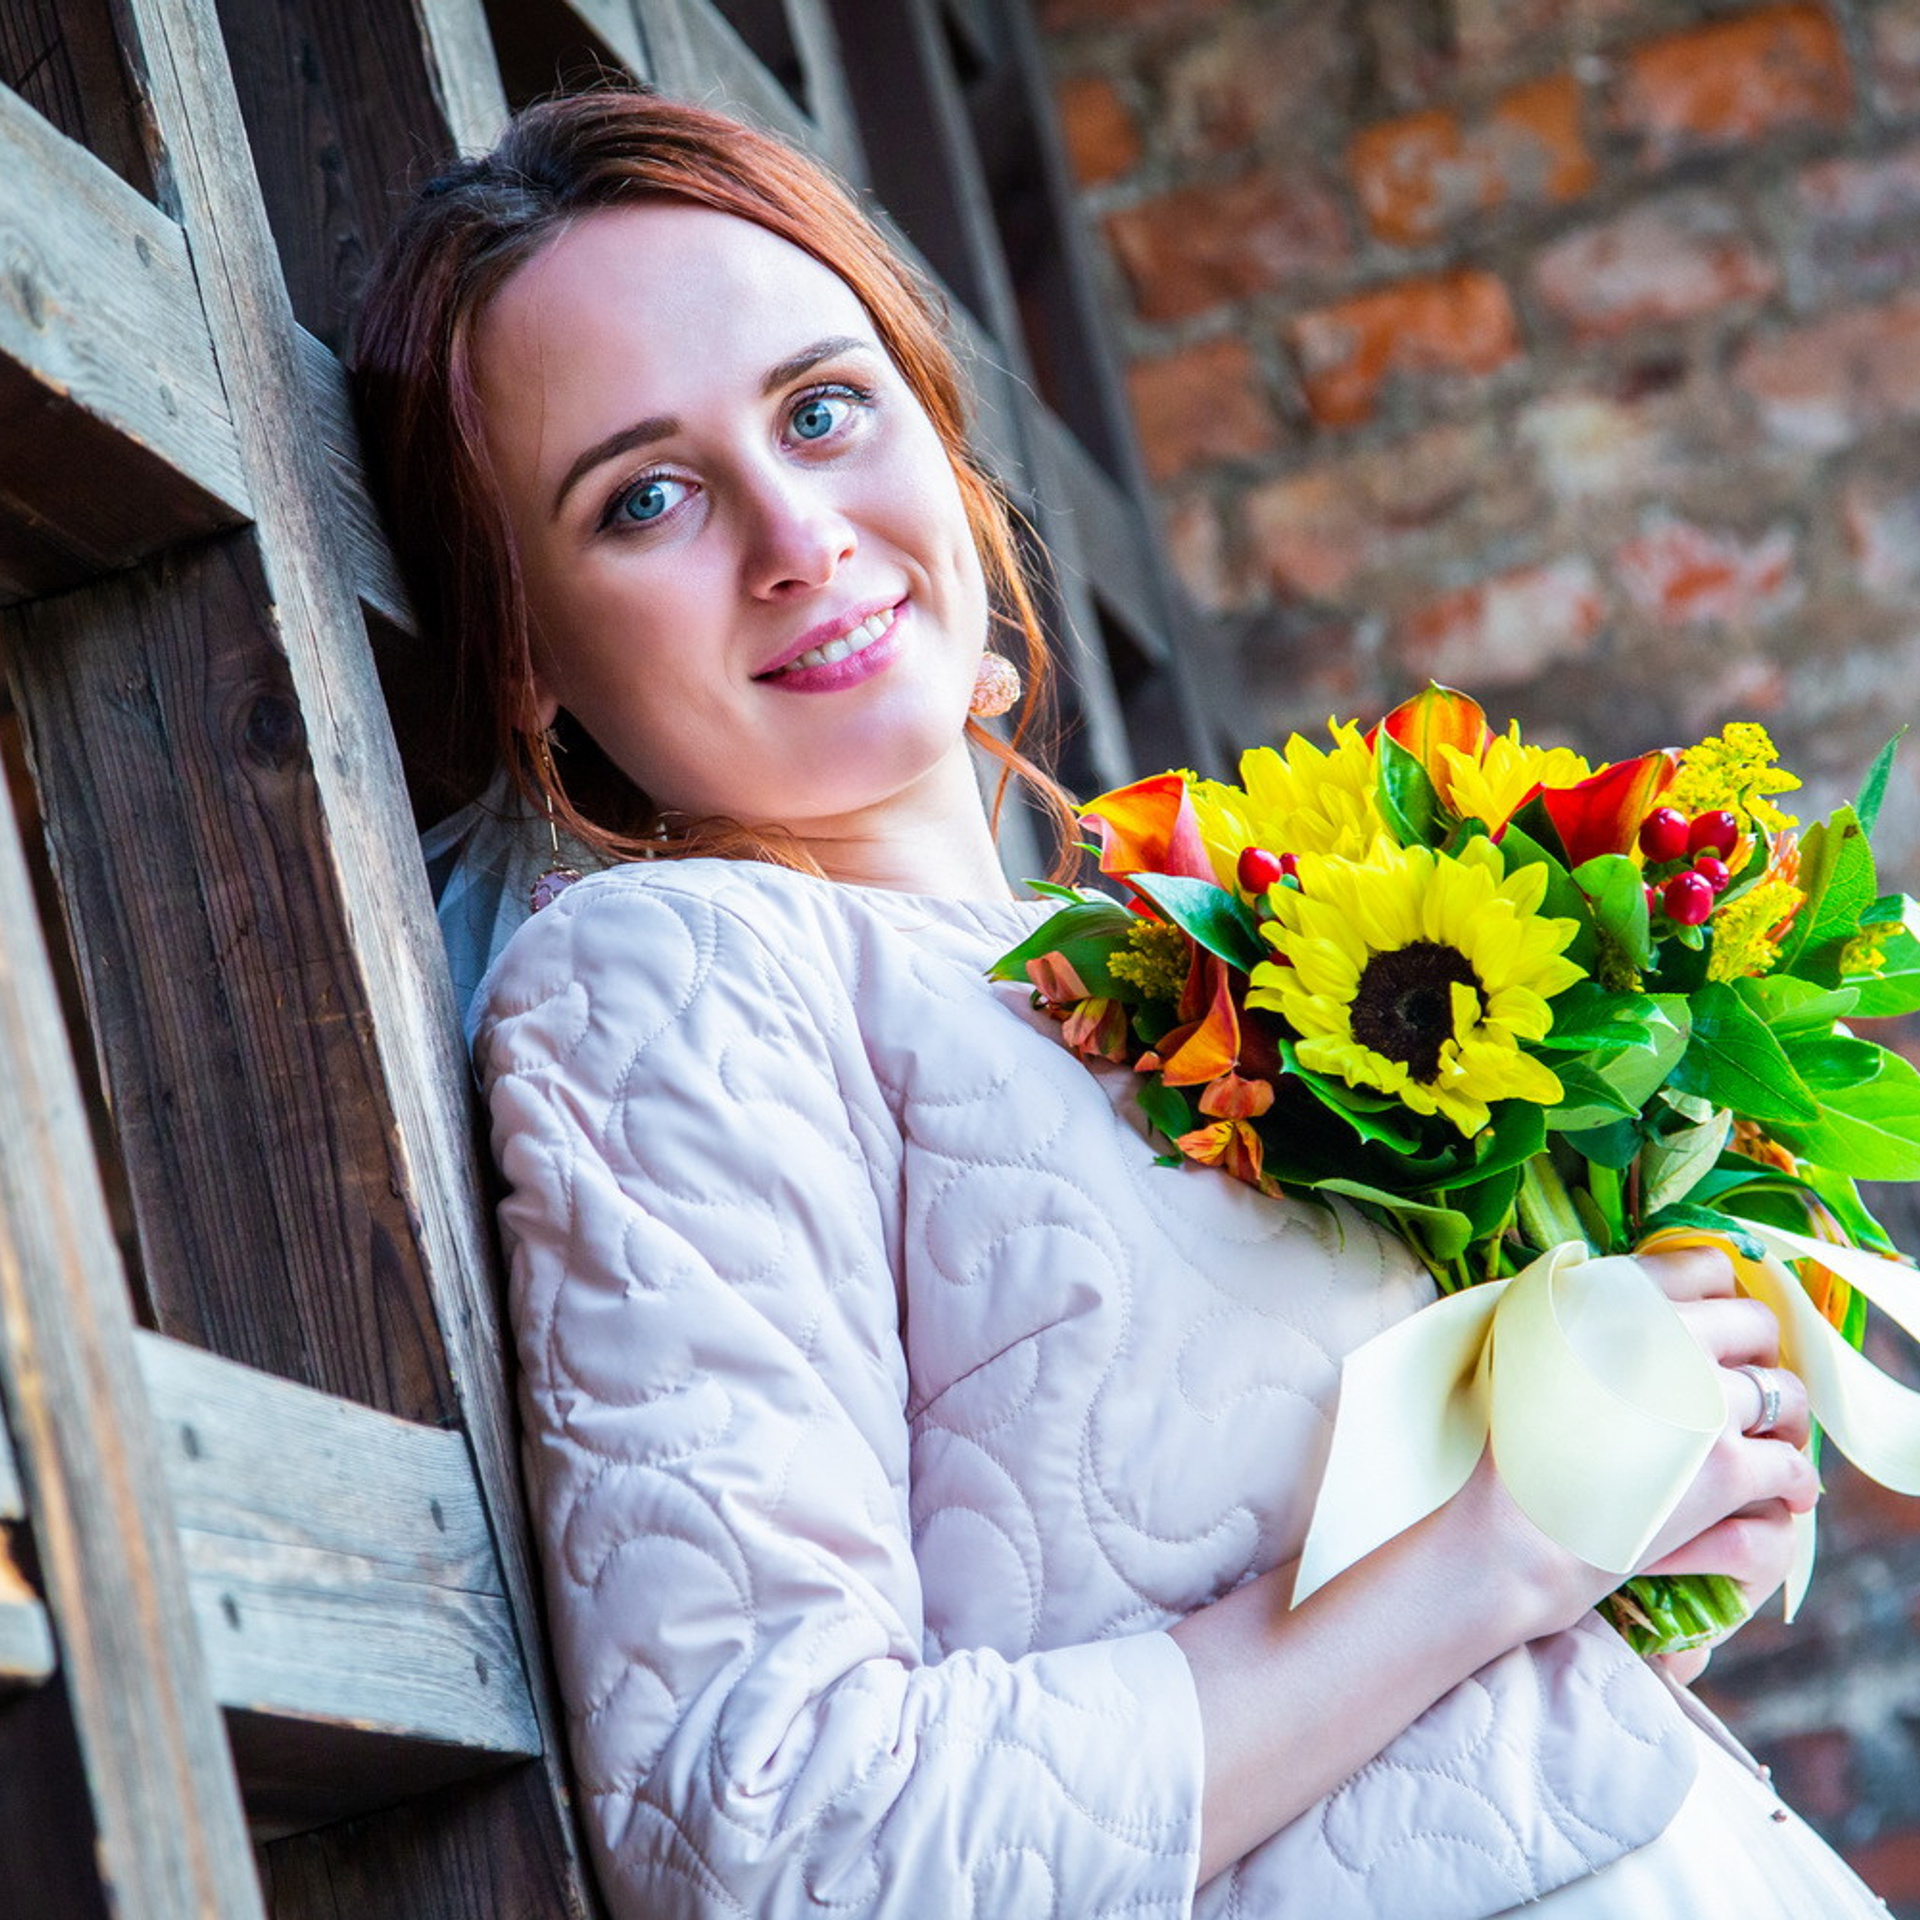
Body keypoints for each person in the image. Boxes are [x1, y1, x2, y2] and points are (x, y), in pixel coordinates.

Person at [351, 84, 1889, 1919]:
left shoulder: (1151, 974)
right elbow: (776, 1837)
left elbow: (1338, 1736)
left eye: (824, 409)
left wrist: (1640, 1541)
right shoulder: (673, 982)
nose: (798, 535)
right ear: (529, 658)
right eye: (648, 498)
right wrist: (1500, 1555)